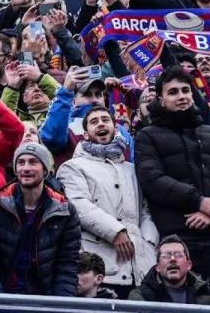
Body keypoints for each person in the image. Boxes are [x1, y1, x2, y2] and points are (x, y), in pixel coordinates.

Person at [134, 66, 210, 305]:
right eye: (173, 92)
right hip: (176, 236)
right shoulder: (147, 136)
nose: (182, 95)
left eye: (186, 90)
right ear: (161, 100)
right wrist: (199, 201)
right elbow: (152, 179)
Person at [56, 105, 158, 298]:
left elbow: (146, 211)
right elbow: (79, 204)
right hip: (102, 266)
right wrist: (116, 231)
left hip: (141, 268)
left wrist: (148, 243)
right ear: (85, 135)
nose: (101, 124)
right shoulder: (72, 167)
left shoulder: (132, 169)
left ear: (115, 128)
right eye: (94, 122)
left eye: (105, 120)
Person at [0, 142, 81, 296]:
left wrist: (62, 304)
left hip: (43, 298)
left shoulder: (65, 211)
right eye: (21, 162)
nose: (26, 168)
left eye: (33, 162)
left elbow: (67, 265)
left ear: (45, 169)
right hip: (0, 296)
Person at [127, 234, 210, 305]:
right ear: (158, 267)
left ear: (189, 265)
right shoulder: (140, 295)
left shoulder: (209, 293)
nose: (173, 259)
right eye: (166, 256)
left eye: (178, 255)